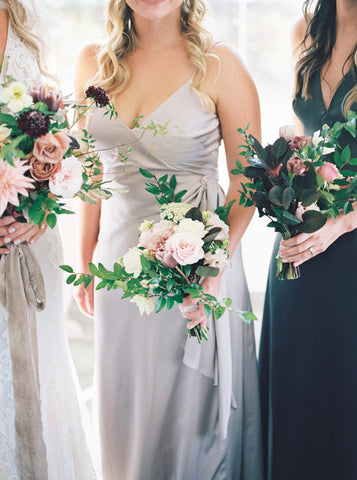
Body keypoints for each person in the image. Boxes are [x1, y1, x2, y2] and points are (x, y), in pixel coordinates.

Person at [75, 0, 263, 479]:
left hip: (199, 266)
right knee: (128, 417)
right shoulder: (92, 63)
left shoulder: (221, 66)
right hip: (119, 268)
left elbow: (248, 182)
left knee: (193, 429)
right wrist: (85, 261)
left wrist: (214, 267)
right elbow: (92, 174)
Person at [259, 1, 357, 479]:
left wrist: (339, 223)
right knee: (296, 381)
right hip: (301, 236)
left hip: (350, 243)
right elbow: (307, 133)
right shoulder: (306, 28)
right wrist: (290, 183)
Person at [0, 1, 97, 478]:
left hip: (35, 238)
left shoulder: (27, 19)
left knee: (44, 367)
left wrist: (43, 207)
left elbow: (55, 134)